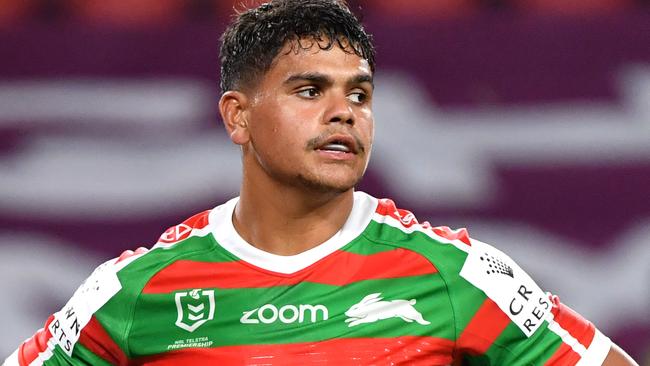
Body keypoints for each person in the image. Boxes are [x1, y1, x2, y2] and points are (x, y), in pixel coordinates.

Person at [3, 0, 639, 365]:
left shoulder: (454, 275)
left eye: (359, 94)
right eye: (310, 91)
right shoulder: (138, 291)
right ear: (238, 115)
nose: (344, 113)